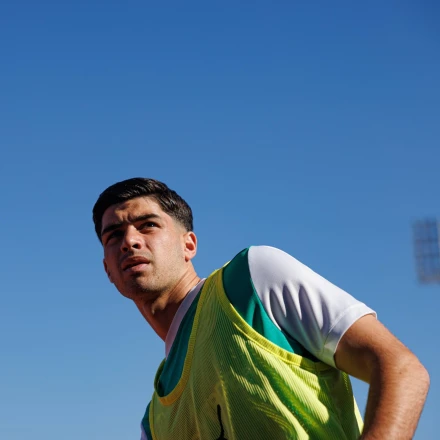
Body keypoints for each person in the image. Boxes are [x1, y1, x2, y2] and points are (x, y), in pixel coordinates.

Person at [93, 177, 429, 440]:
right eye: (114, 236)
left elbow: (400, 367)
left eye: (148, 225)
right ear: (107, 270)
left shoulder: (251, 278)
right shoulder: (153, 424)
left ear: (188, 244)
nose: (130, 241)